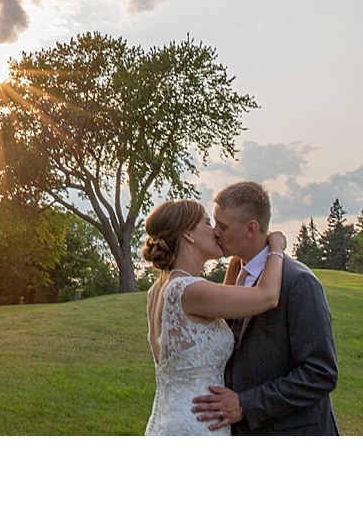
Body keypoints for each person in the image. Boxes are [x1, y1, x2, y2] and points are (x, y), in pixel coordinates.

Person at [192, 181, 340, 435]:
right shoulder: (237, 273)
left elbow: (320, 373)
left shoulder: (298, 283)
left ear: (251, 228)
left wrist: (245, 404)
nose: (215, 232)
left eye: (223, 226)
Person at [141, 198, 287, 436]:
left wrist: (235, 258)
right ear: (188, 234)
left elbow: (218, 309)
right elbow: (268, 296)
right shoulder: (189, 290)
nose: (215, 231)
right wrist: (277, 249)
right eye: (208, 223)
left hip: (170, 416)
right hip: (197, 423)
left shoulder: (160, 289)